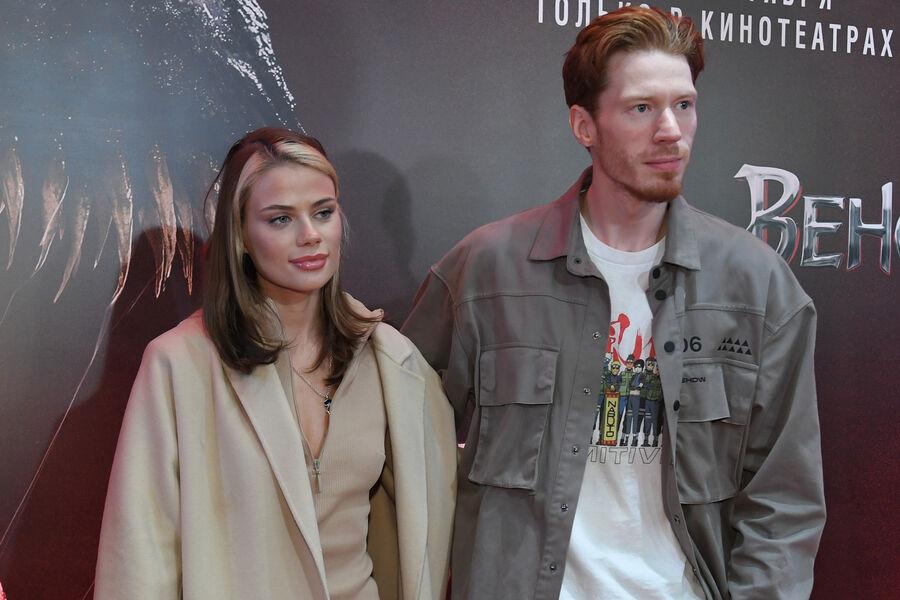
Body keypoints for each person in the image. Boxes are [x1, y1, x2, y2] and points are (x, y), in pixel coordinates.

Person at [402, 7, 825, 600]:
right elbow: (400, 448)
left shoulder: (758, 287)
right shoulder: (486, 270)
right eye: (641, 108)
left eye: (684, 104)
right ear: (584, 125)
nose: (671, 130)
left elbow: (783, 500)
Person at [95, 127, 457, 600]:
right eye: (281, 219)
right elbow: (140, 557)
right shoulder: (180, 364)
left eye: (323, 212)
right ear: (241, 235)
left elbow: (428, 529)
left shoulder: (392, 361)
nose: (310, 236)